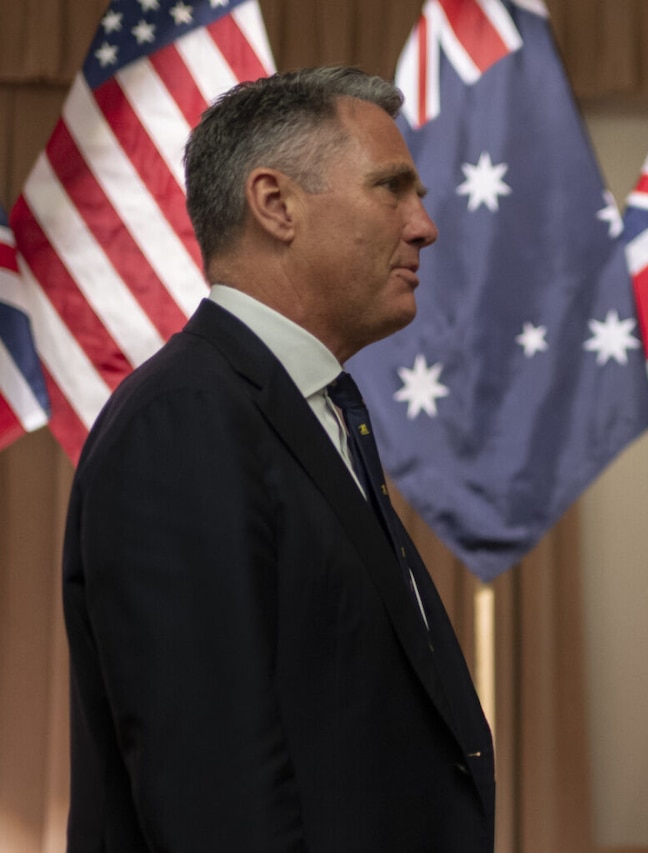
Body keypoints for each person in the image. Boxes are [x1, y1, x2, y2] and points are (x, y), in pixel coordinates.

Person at [62, 67, 494, 852]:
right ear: (275, 204)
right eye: (391, 188)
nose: (424, 226)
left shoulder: (304, 407)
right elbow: (211, 787)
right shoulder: (185, 420)